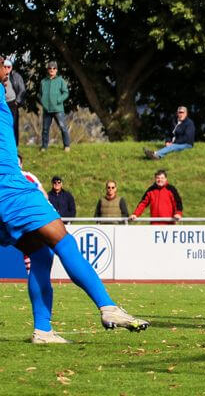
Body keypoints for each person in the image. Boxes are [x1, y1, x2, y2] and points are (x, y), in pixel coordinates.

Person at [0, 63, 147, 343]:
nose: (8, 68)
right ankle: (108, 307)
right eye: (2, 64)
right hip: (9, 185)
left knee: (41, 253)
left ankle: (43, 330)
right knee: (64, 242)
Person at [39, 61, 70, 152]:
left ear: (56, 70)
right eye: (50, 68)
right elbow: (39, 94)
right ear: (47, 70)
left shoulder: (61, 80)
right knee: (45, 129)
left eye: (54, 68)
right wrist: (42, 102)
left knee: (63, 127)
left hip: (58, 109)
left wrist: (58, 100)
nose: (52, 70)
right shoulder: (43, 81)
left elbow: (66, 93)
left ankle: (67, 145)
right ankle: (44, 147)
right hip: (47, 109)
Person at [3, 58, 25, 145]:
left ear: (11, 67)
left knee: (14, 124)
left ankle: (15, 144)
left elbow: (22, 89)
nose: (7, 68)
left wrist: (17, 101)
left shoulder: (16, 76)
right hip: (2, 103)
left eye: (9, 67)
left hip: (12, 103)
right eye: (5, 67)